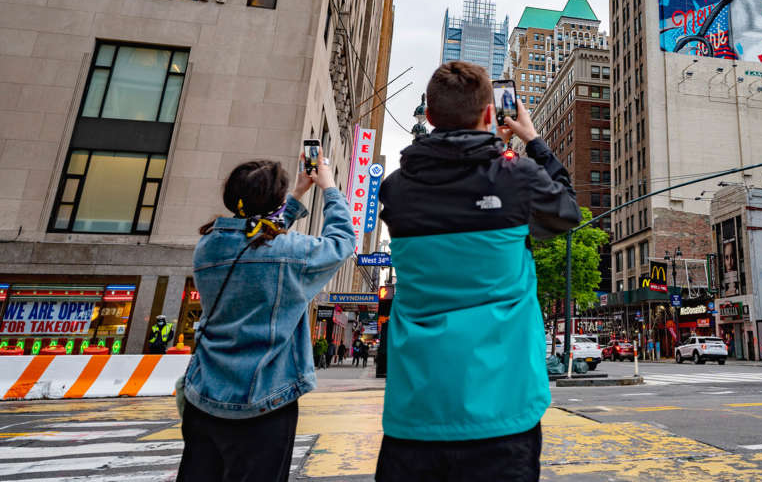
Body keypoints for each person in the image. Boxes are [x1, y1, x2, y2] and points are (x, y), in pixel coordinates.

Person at [374, 61, 580, 482]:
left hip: (416, 410)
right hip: (503, 412)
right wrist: (531, 140)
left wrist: (486, 150)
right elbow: (566, 210)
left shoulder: (394, 189)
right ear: (490, 114)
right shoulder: (517, 179)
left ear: (428, 117)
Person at [177, 151, 354, 482]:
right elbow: (342, 240)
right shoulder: (290, 252)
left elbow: (258, 235)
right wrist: (328, 187)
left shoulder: (208, 245)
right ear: (273, 202)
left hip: (204, 398)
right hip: (264, 404)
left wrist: (297, 193)